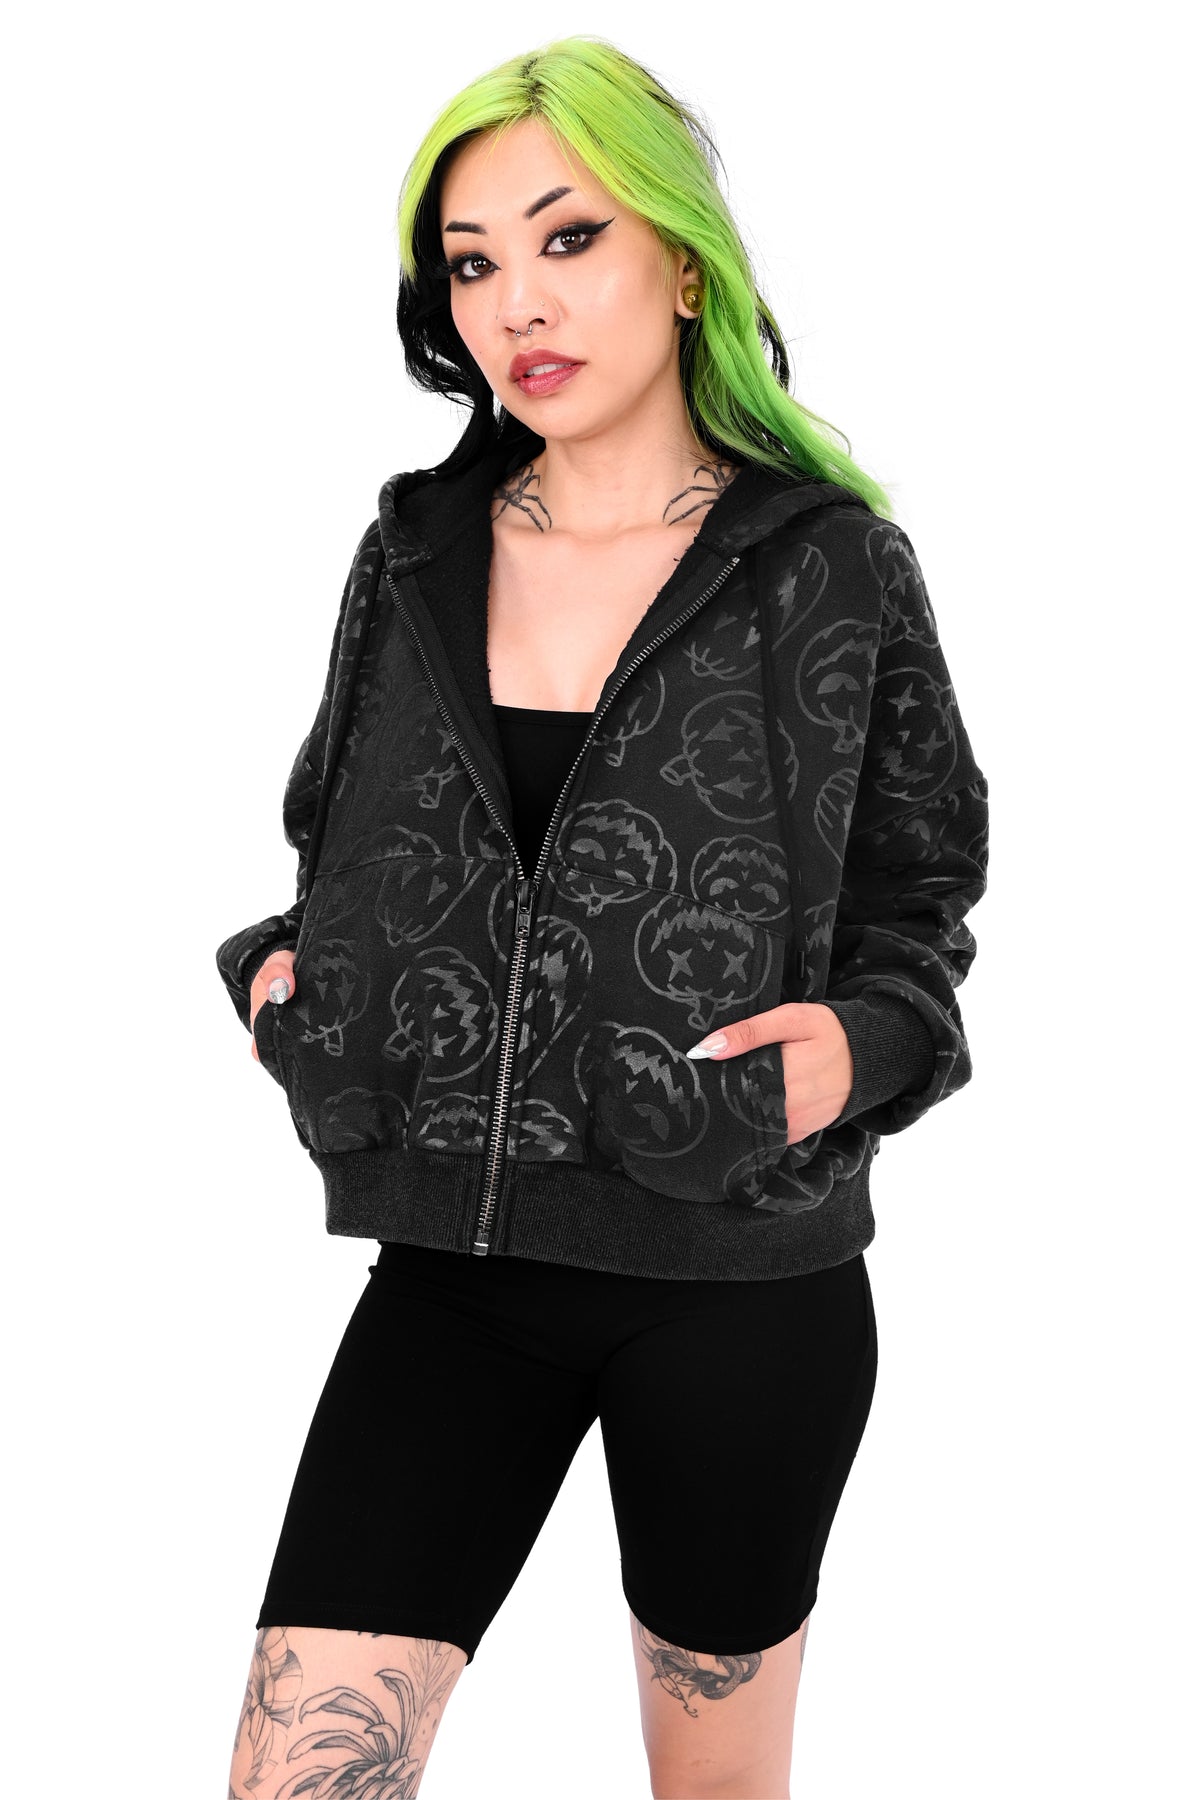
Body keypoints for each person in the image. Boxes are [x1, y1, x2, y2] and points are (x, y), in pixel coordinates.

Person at [216, 35, 988, 1800]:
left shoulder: (827, 565)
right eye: (471, 263)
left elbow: (921, 896)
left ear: (684, 262)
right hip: (453, 1277)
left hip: (740, 1284)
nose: (518, 303)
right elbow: (338, 848)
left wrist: (855, 1050)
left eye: (568, 238)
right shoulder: (416, 550)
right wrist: (286, 989)